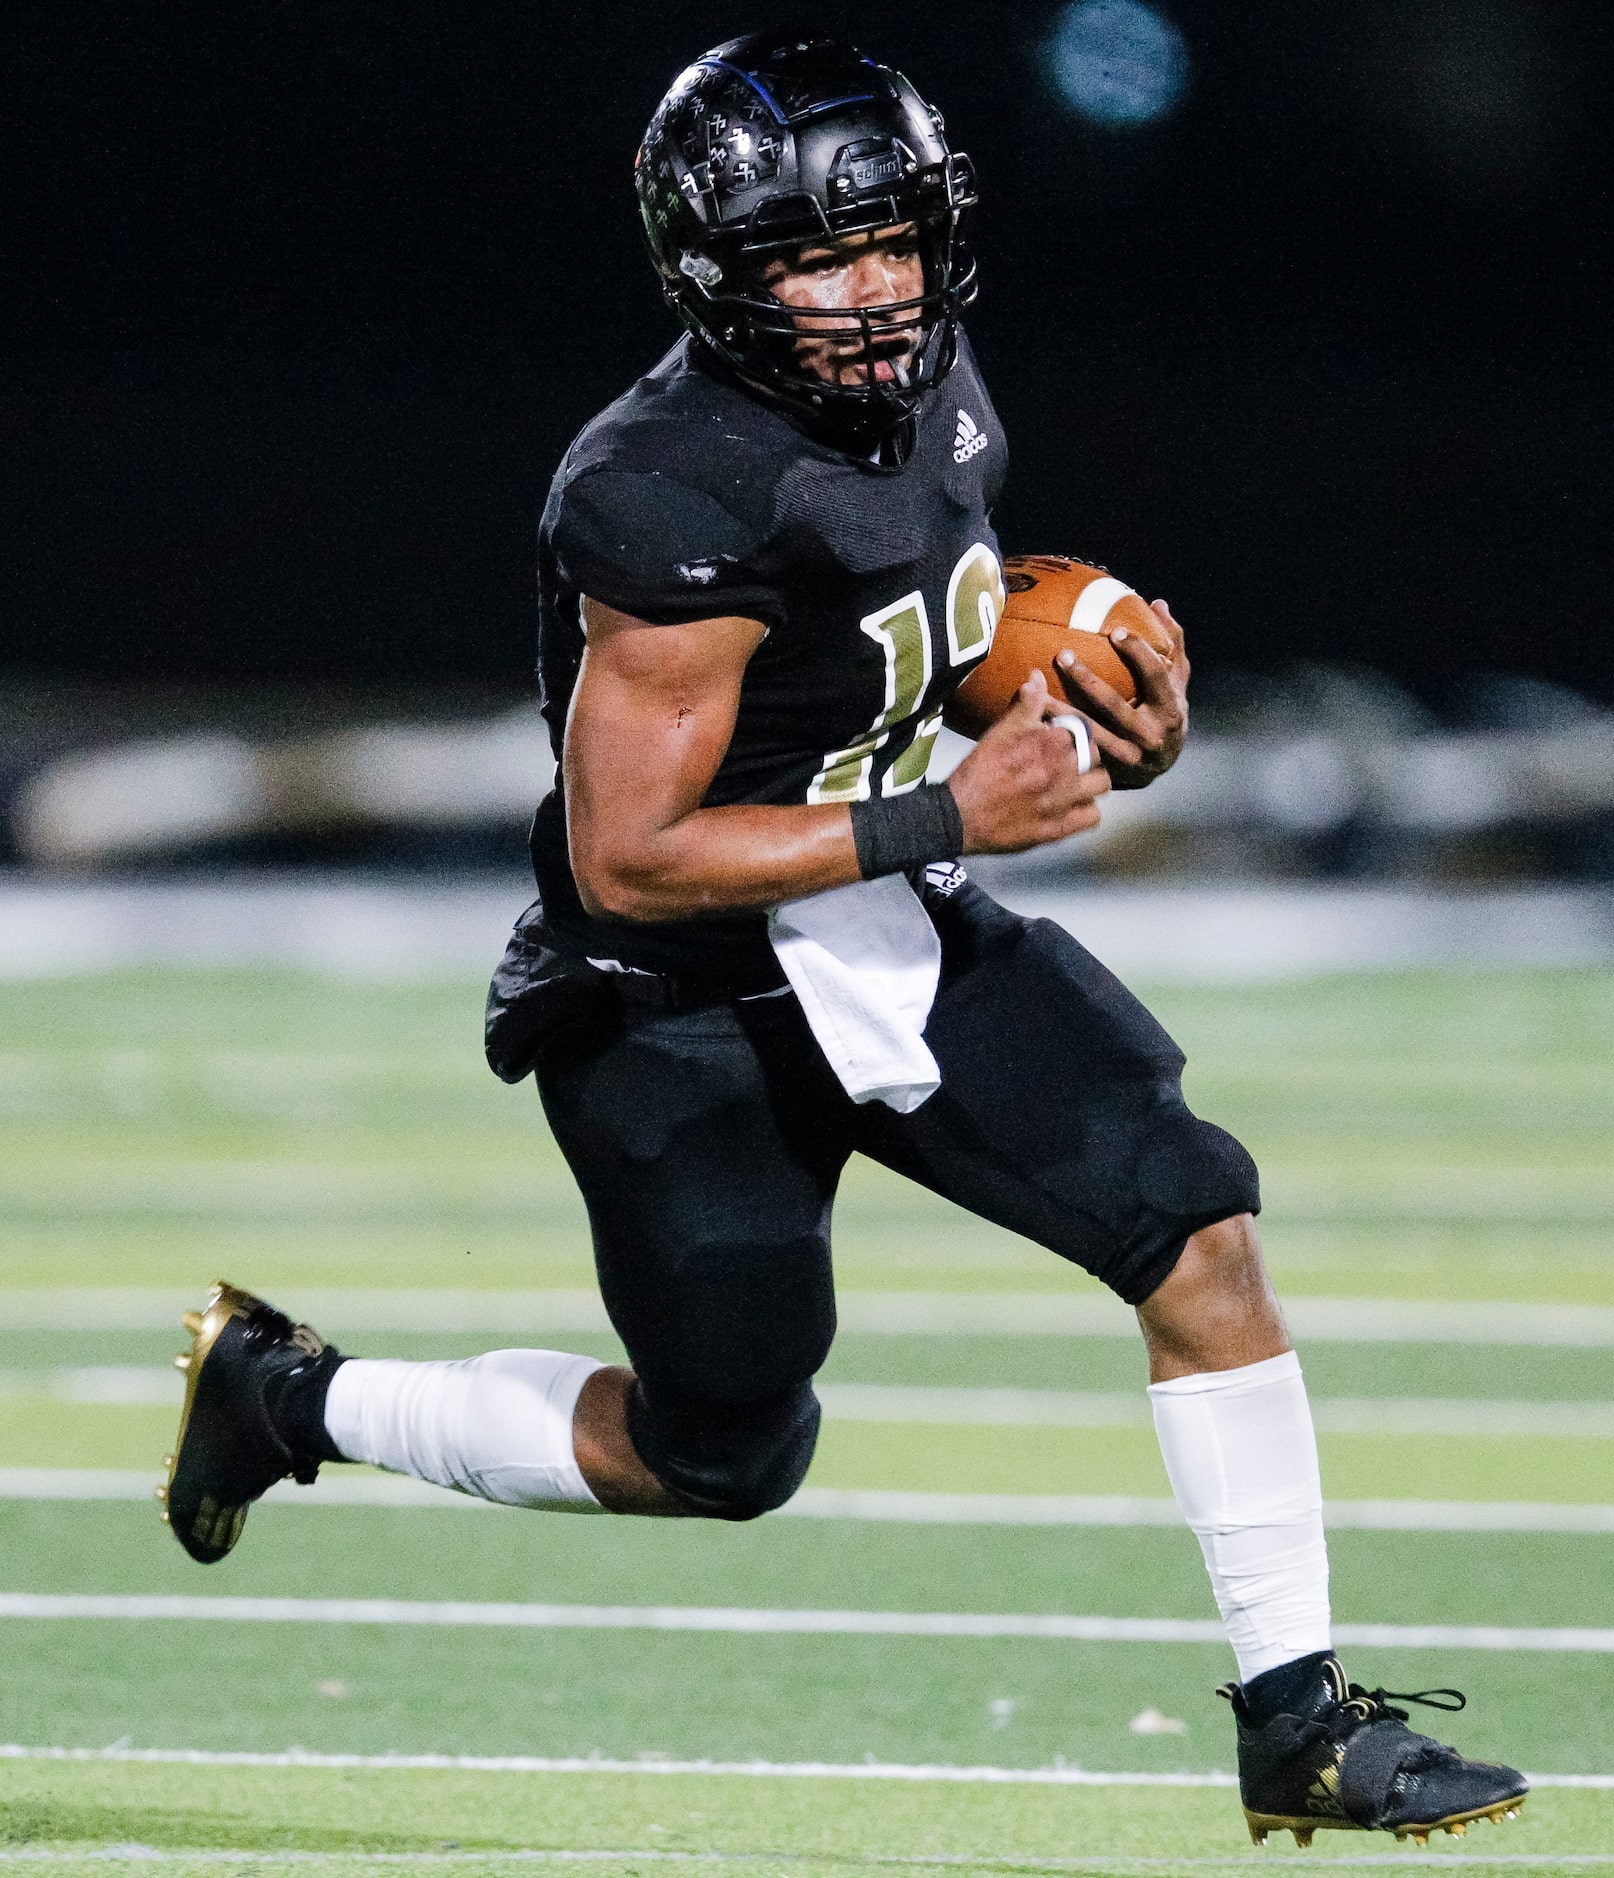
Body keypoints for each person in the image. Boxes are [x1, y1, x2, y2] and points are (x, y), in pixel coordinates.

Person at [160, 31, 1525, 1849]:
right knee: (721, 1451)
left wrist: (1082, 687)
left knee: (1193, 1220)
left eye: (888, 238)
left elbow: (913, 632)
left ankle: (1299, 1725)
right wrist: (952, 812)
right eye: (814, 255)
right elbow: (627, 854)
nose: (868, 290)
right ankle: (288, 1393)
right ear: (719, 272)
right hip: (670, 999)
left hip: (879, 923)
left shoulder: (930, 374)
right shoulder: (663, 486)